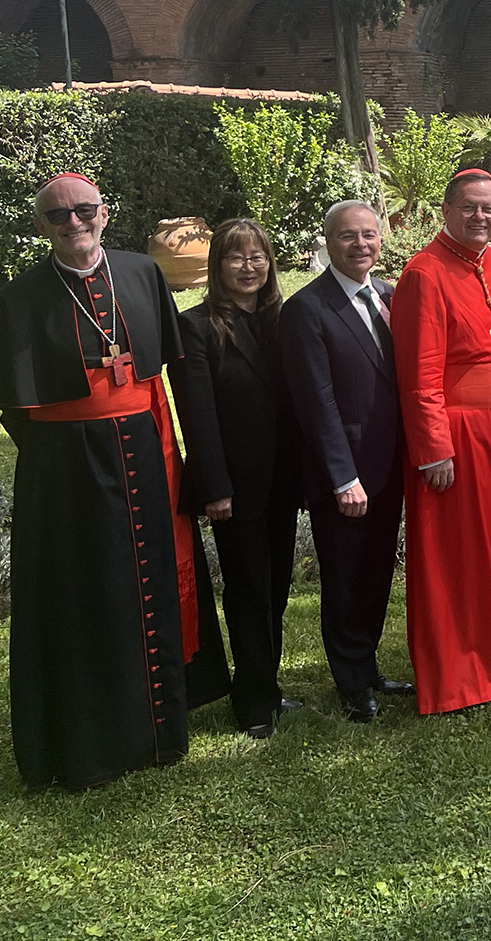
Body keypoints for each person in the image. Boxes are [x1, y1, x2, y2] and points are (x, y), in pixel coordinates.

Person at [0, 171, 228, 789]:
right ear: (43, 226)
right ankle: (98, 735)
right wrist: (76, 451)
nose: (73, 224)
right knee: (89, 594)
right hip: (68, 474)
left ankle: (162, 728)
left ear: (104, 214)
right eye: (59, 216)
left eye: (83, 211)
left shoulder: (141, 274)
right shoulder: (20, 299)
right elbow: (20, 413)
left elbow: (166, 372)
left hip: (146, 452)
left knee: (152, 585)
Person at [392, 169, 491, 712]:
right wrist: (434, 448)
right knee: (465, 556)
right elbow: (418, 373)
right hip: (457, 433)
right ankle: (471, 673)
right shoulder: (424, 274)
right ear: (446, 211)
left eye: (489, 208)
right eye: (469, 208)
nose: (480, 217)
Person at [280, 200, 413, 723]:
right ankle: (352, 684)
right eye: (347, 237)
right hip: (347, 475)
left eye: (369, 235)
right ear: (327, 242)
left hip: (389, 465)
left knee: (377, 572)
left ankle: (369, 664)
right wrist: (342, 477)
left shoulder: (387, 296)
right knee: (344, 578)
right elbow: (316, 401)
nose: (360, 245)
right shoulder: (307, 309)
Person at [171, 218, 304, 738]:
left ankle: (268, 685)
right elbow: (197, 414)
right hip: (235, 484)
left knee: (276, 585)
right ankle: (250, 701)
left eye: (257, 257)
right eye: (235, 257)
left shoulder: (281, 319)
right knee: (247, 590)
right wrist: (215, 488)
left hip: (283, 480)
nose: (248, 267)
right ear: (217, 265)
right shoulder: (196, 326)